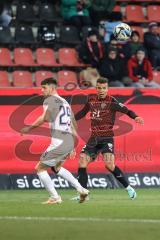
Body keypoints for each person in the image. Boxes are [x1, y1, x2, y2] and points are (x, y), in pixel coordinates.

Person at [72, 77, 144, 200]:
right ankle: (83, 194)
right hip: (94, 138)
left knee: (109, 165)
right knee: (82, 161)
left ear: (107, 89)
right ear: (96, 88)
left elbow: (127, 110)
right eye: (99, 88)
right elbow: (83, 113)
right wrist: (71, 119)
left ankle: (129, 188)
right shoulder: (91, 100)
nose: (101, 90)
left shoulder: (112, 102)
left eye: (104, 88)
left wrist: (136, 117)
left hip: (107, 138)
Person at [21, 78, 89, 204]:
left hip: (59, 142)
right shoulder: (65, 102)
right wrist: (73, 144)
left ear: (52, 88)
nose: (42, 91)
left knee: (40, 168)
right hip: (67, 141)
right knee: (57, 168)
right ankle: (81, 189)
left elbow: (44, 118)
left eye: (44, 88)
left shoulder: (50, 100)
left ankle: (55, 197)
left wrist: (29, 128)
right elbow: (72, 124)